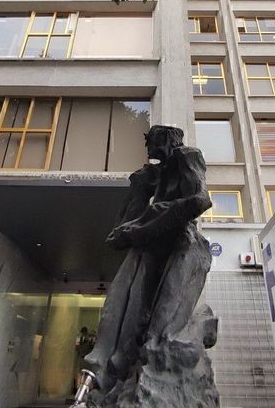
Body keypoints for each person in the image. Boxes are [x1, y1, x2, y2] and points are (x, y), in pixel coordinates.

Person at [81, 125, 213, 404]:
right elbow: (121, 228)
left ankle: (124, 369)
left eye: (151, 141)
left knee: (156, 327)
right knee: (120, 297)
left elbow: (200, 200)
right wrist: (139, 191)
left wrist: (146, 223)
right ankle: (103, 370)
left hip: (179, 244)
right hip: (151, 244)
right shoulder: (154, 173)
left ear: (165, 139)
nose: (148, 148)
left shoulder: (187, 157)